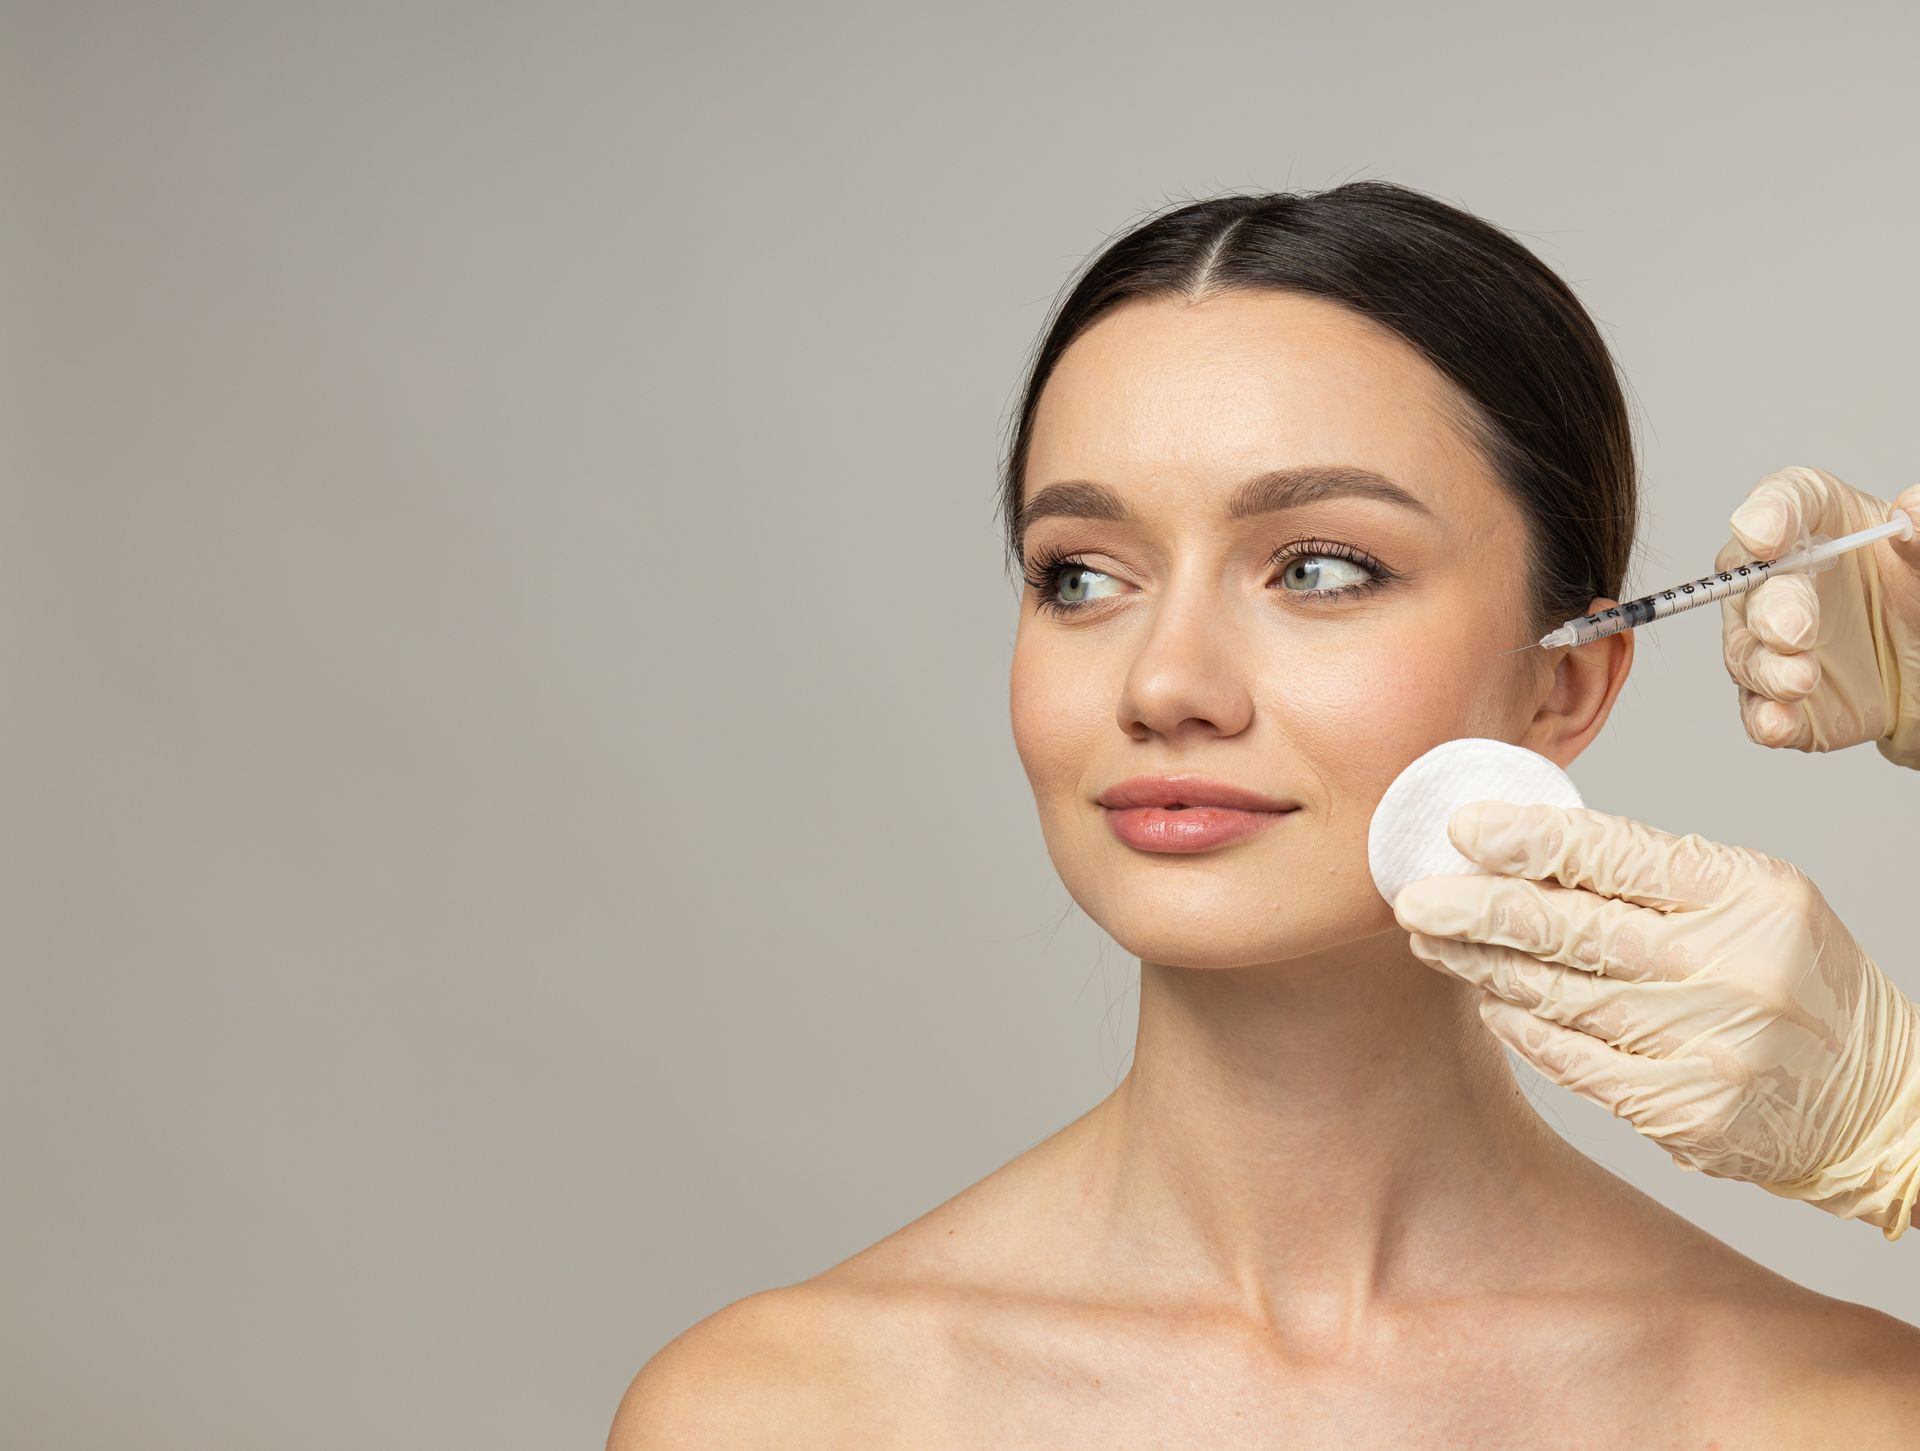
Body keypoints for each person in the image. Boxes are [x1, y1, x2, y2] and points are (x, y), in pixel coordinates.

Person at [610, 183, 1920, 1448]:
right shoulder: (775, 1418)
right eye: (1079, 577)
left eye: (1321, 569)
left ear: (1565, 678)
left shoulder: (1834, 1418)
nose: (1165, 682)